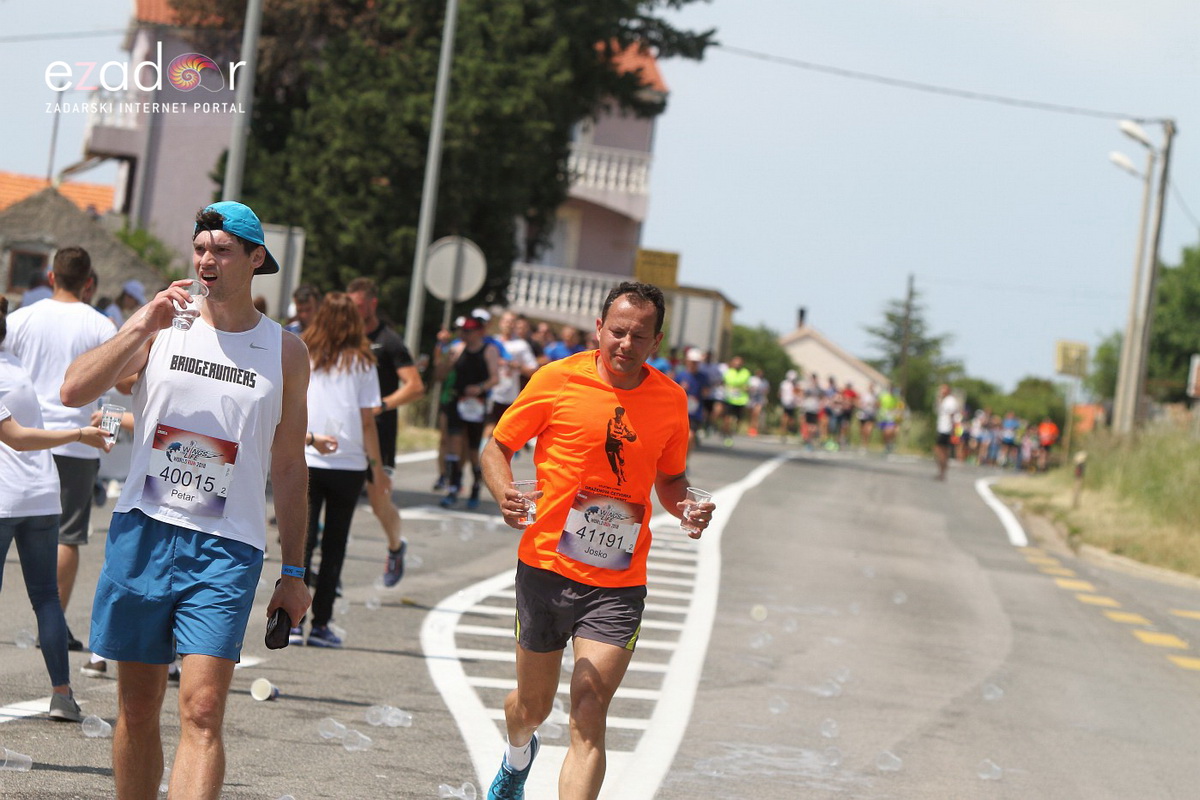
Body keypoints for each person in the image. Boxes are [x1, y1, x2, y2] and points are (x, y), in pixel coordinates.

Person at [59, 201, 312, 799]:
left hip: (227, 546)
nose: (207, 260)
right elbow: (74, 389)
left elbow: (289, 464)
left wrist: (295, 570)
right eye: (200, 248)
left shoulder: (286, 352)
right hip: (144, 530)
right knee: (139, 707)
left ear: (255, 260)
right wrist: (141, 325)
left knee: (200, 710)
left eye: (222, 250)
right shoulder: (164, 324)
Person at [479, 281, 715, 800]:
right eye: (617, 332)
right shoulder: (557, 379)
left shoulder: (671, 401)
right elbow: (496, 447)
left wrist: (687, 509)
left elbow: (671, 481)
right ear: (598, 330)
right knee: (533, 708)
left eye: (639, 336)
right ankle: (519, 753)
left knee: (589, 705)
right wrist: (504, 494)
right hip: (545, 568)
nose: (625, 345)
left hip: (617, 580)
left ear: (656, 342)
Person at [0, 296, 111, 724]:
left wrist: (80, 433)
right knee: (46, 597)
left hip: (7, 497)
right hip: (42, 495)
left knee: (44, 596)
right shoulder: (12, 361)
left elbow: (17, 437)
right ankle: (62, 694)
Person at [5, 247, 117, 656]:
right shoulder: (101, 325)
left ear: (52, 276)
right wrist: (106, 430)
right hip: (79, 440)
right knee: (67, 537)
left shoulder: (19, 319)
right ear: (89, 282)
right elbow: (120, 385)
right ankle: (52, 624)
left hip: (23, 437)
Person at [292, 293, 384, 647]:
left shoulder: (305, 353)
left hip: (309, 453)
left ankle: (293, 620)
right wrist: (376, 466)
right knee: (334, 546)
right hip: (348, 462)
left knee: (302, 541)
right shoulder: (363, 361)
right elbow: (367, 421)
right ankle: (321, 624)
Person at [346, 277, 424, 586]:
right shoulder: (345, 337)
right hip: (346, 433)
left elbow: (416, 387)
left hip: (380, 435)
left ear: (372, 305)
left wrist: (381, 405)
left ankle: (395, 546)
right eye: (351, 306)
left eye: (360, 307)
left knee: (379, 503)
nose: (355, 312)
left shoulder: (389, 341)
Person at [435, 314, 501, 508]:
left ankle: (475, 487)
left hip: (477, 404)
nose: (465, 334)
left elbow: (495, 378)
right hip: (457, 400)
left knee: (473, 449)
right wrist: (444, 353)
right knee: (453, 443)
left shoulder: (489, 350)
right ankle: (453, 487)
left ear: (479, 331)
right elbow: (440, 374)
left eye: (469, 331)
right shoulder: (456, 349)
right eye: (463, 331)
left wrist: (480, 388)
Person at [720, 355, 750, 446]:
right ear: (732, 363)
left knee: (737, 421)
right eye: (736, 363)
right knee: (727, 419)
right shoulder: (728, 372)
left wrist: (745, 388)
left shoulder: (746, 373)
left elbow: (748, 386)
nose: (737, 365)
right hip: (729, 399)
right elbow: (723, 383)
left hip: (741, 400)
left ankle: (731, 432)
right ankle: (727, 435)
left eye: (739, 363)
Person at [934, 383, 960, 480]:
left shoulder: (951, 401)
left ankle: (943, 470)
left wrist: (953, 430)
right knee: (940, 450)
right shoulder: (943, 400)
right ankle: (941, 470)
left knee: (942, 450)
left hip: (946, 429)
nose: (941, 391)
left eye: (943, 389)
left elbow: (952, 415)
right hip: (941, 428)